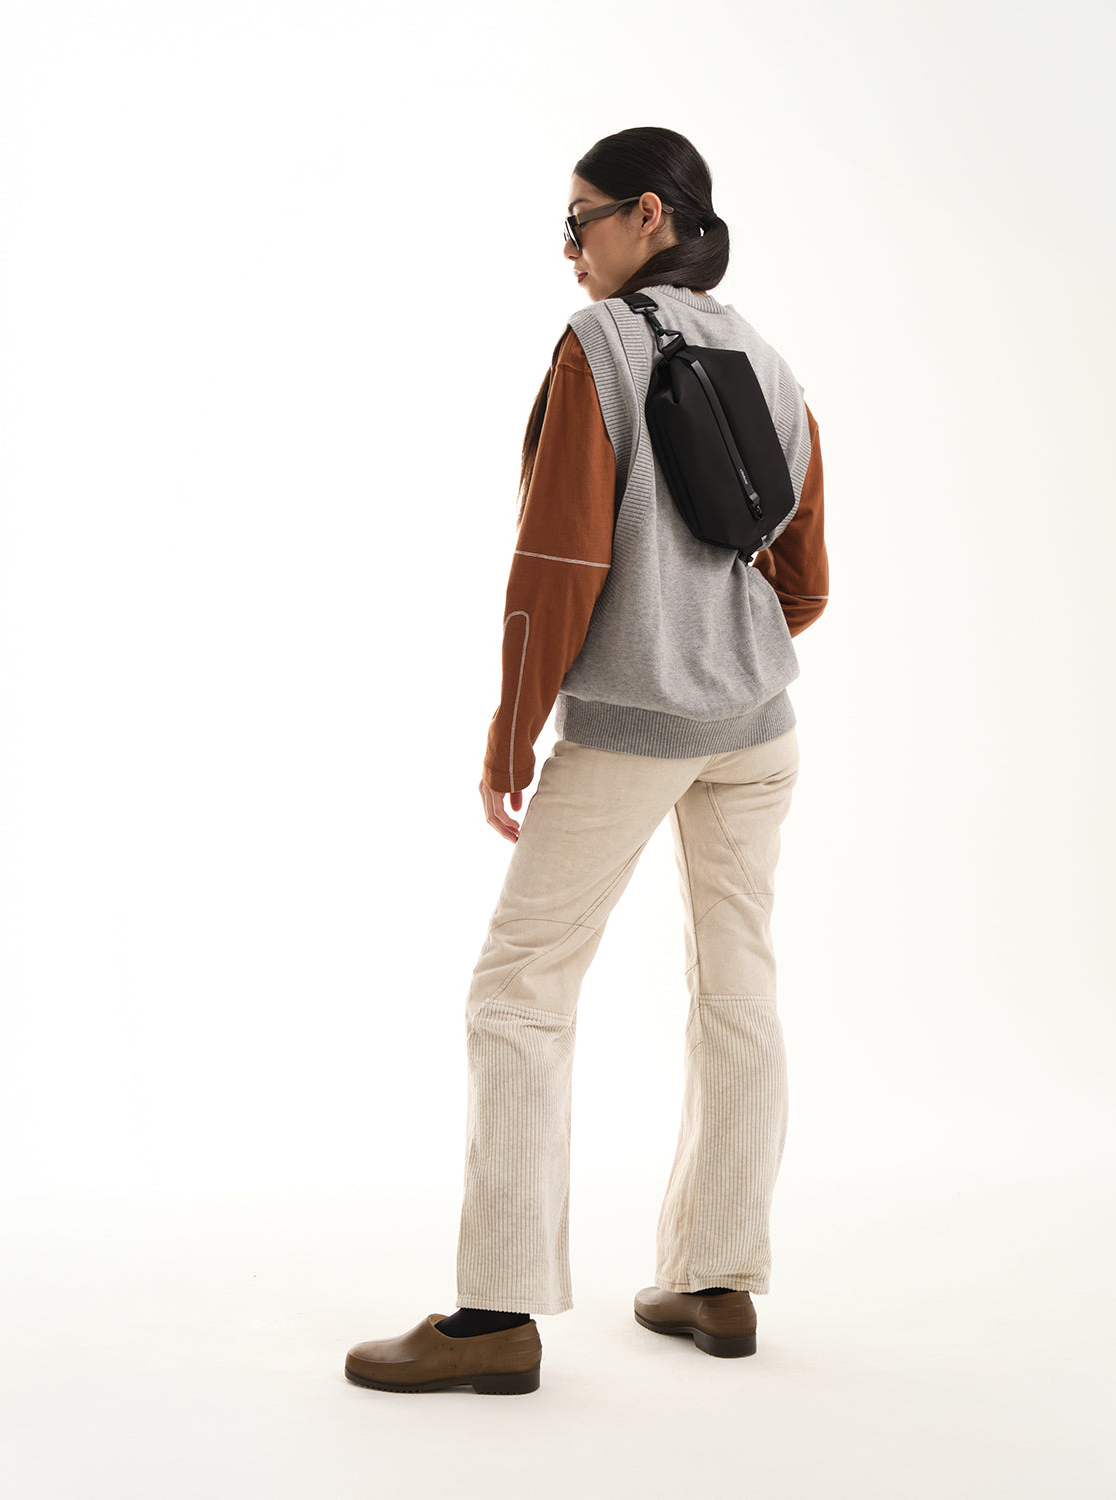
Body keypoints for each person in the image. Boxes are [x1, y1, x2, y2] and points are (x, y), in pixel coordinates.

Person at [344, 126, 828, 1395]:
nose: (570, 250)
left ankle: (496, 1314)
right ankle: (716, 1280)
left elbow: (559, 558)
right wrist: (724, 646)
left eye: (581, 221)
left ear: (649, 216)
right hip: (760, 731)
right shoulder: (765, 356)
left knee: (518, 990)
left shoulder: (598, 348)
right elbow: (805, 574)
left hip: (631, 729)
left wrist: (512, 732)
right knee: (738, 981)